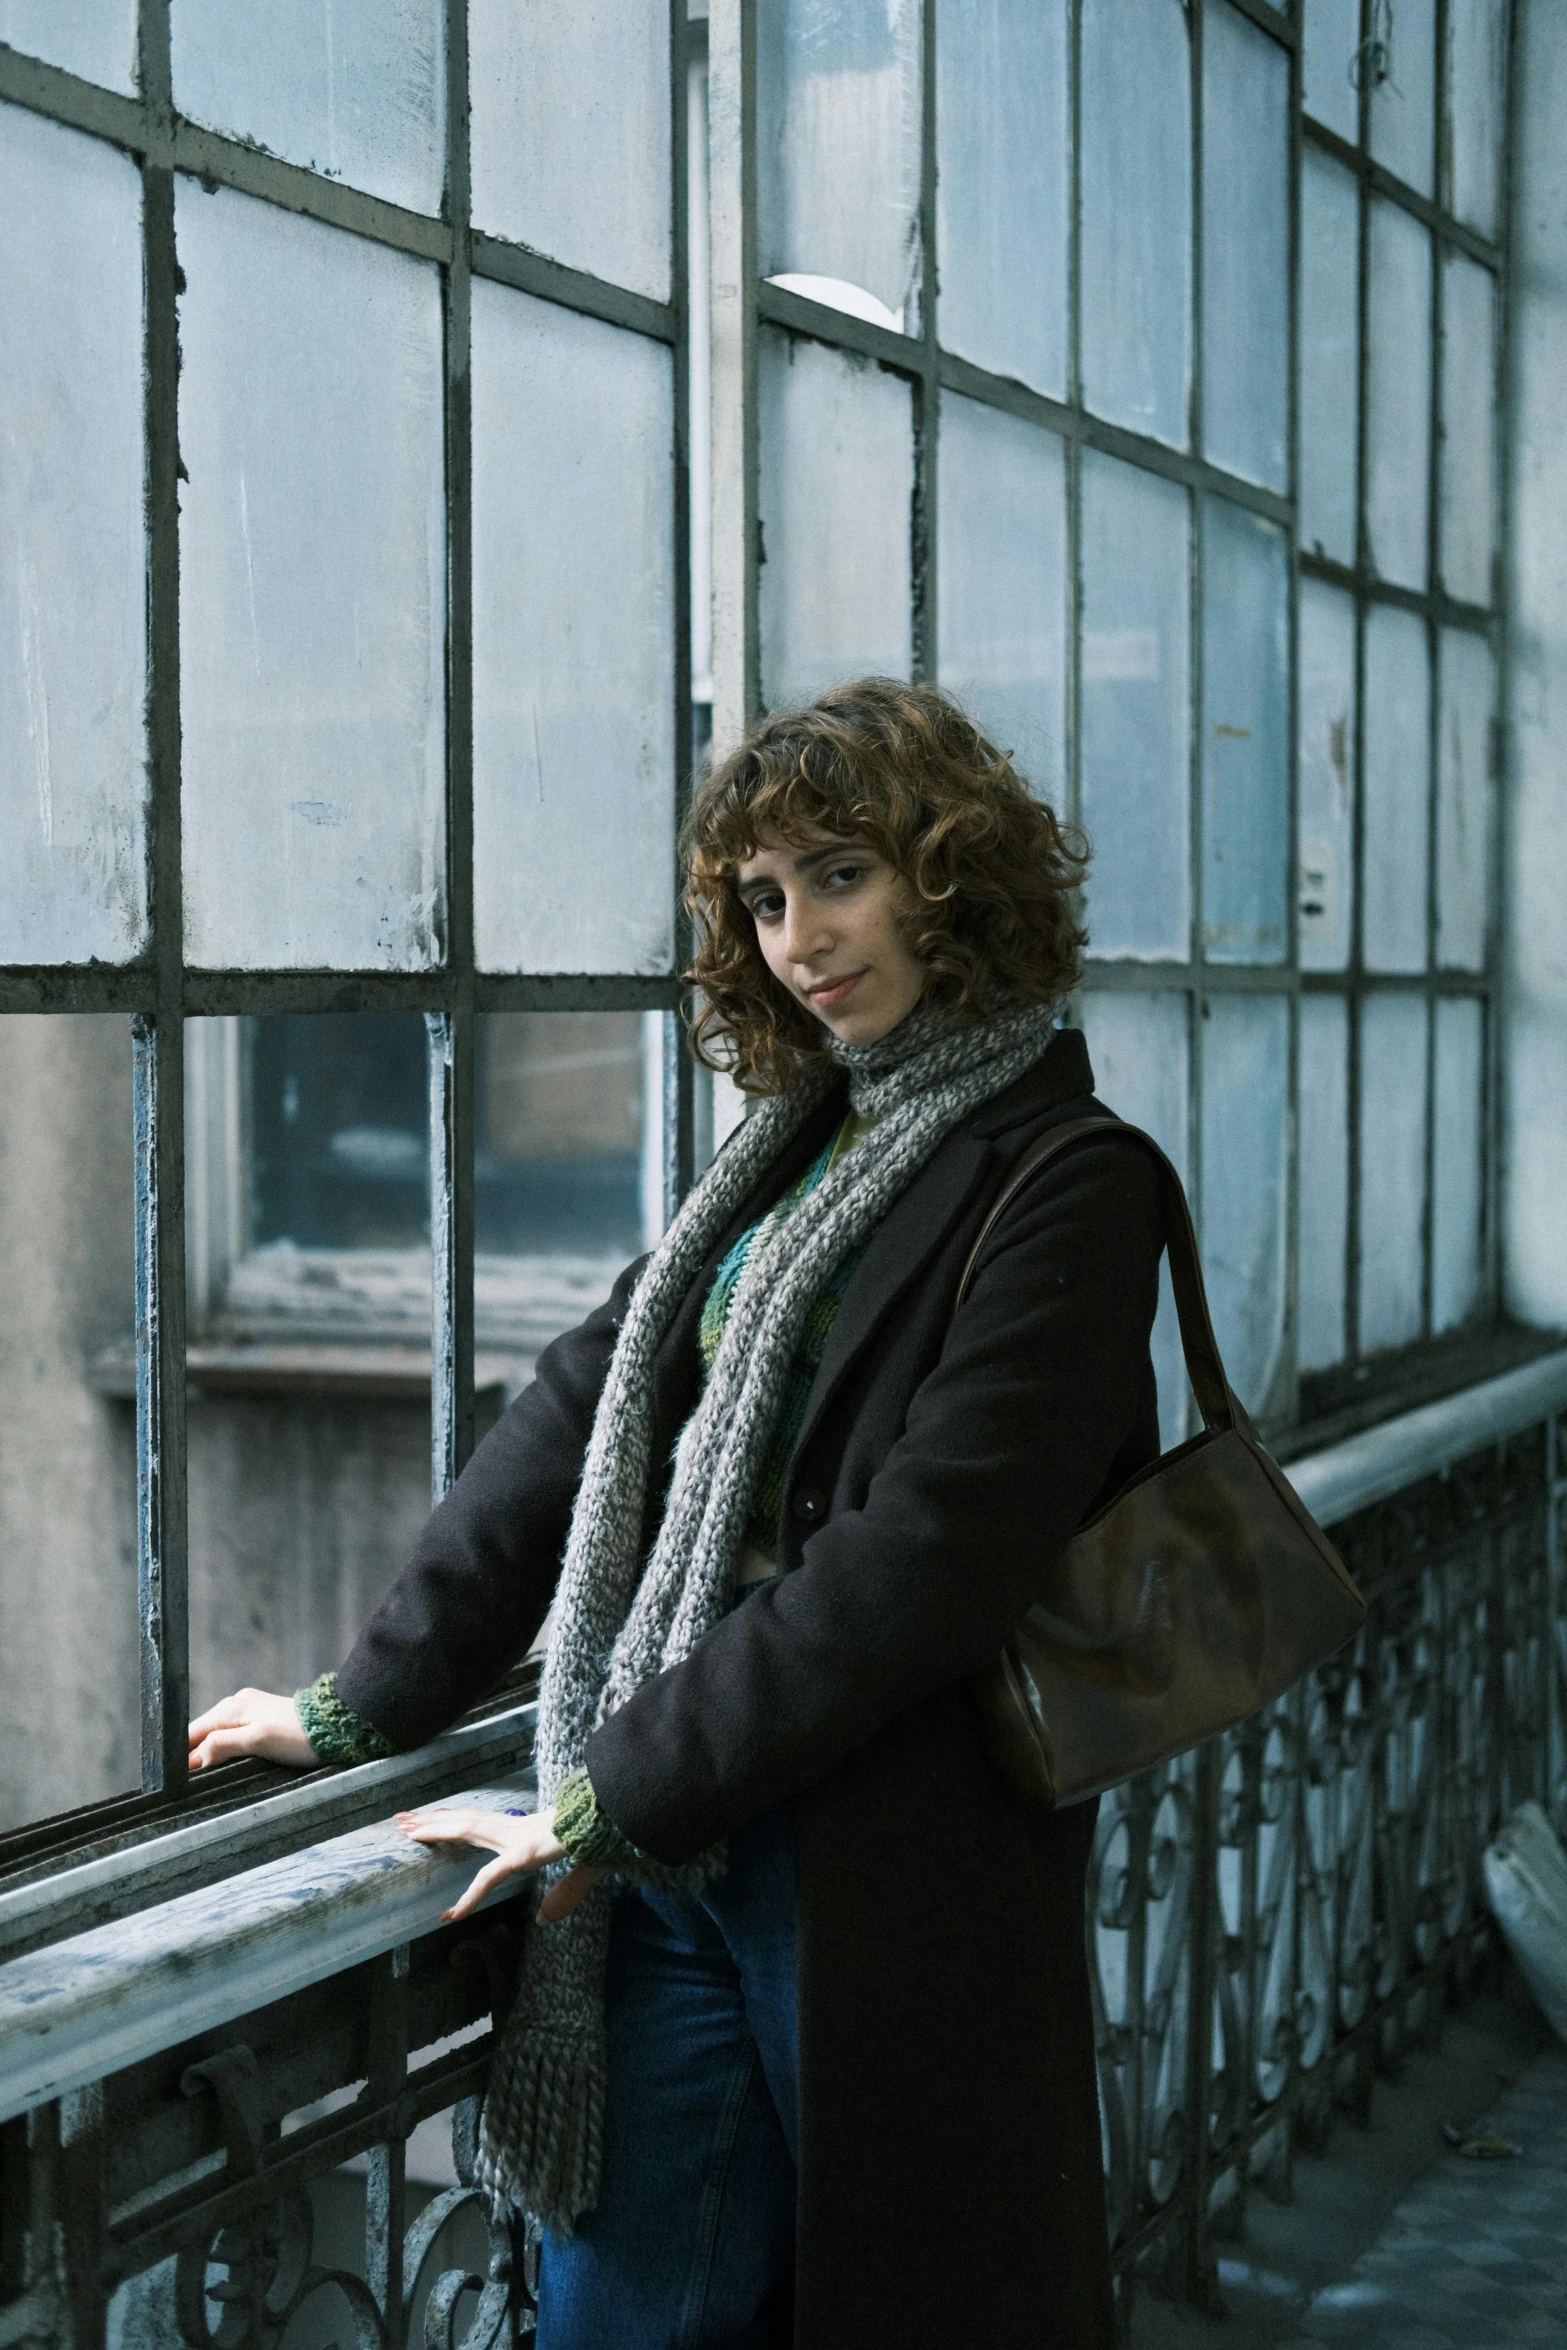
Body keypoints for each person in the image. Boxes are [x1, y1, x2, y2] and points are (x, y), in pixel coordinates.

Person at [189, 677, 1165, 2350]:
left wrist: (600, 1797)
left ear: (953, 878)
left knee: (913, 2298)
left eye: (840, 875)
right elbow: (577, 1416)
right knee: (627, 2312)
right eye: (763, 899)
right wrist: (367, 1701)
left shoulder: (1067, 1173)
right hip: (675, 1844)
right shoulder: (783, 1162)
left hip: (887, 1862)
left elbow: (923, 1558)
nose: (799, 937)